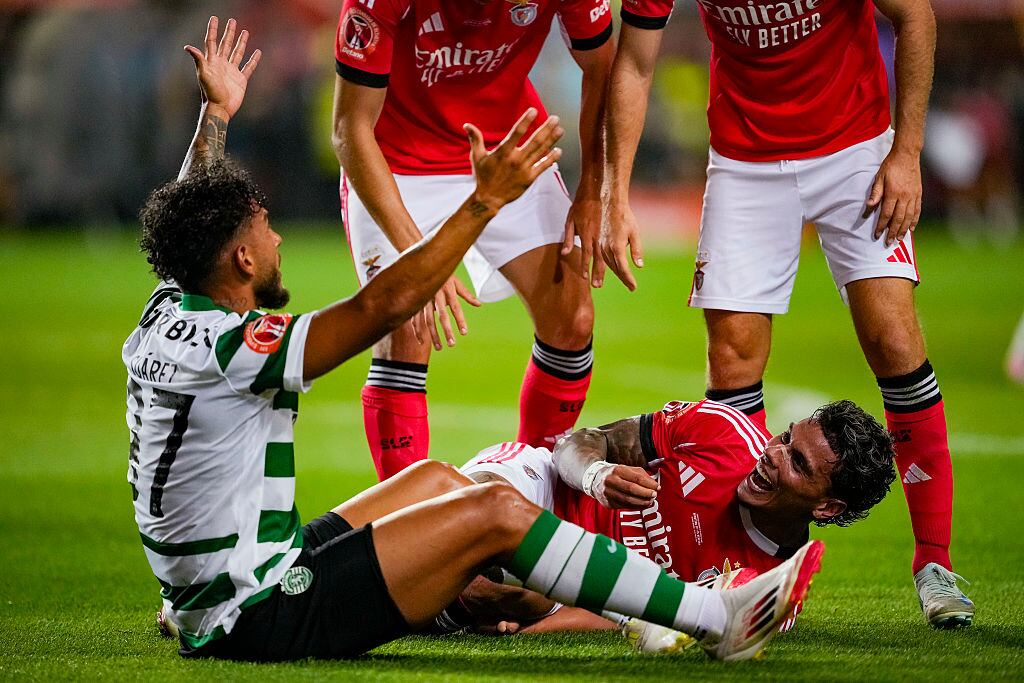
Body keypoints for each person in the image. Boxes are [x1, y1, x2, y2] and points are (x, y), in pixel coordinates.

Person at [130, 17, 821, 662]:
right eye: (264, 231)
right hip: (257, 608)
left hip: (237, 571)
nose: (276, 237)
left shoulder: (170, 307)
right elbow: (384, 303)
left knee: (438, 482)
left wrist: (215, 115)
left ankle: (449, 596)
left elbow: (193, 216)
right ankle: (713, 615)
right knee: (493, 510)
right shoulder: (243, 351)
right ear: (242, 262)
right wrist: (484, 201)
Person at [598, 0, 973, 627]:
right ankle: (747, 571)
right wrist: (617, 189)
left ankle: (934, 563)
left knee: (893, 340)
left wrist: (906, 152)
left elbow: (916, 17)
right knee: (733, 359)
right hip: (746, 159)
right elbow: (635, 61)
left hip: (854, 145)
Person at [332, 0, 614, 480]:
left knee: (573, 316)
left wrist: (594, 187)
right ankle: (412, 527)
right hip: (397, 160)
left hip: (507, 146)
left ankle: (533, 490)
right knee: (406, 328)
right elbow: (348, 129)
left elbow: (604, 67)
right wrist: (418, 256)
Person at [455, 397, 895, 638]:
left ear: (827, 507)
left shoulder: (766, 590)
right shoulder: (725, 432)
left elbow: (625, 619)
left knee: (483, 585)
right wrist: (596, 475)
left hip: (576, 587)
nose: (772, 455)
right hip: (547, 491)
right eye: (784, 438)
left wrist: (535, 628)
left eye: (797, 462)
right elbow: (578, 443)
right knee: (470, 506)